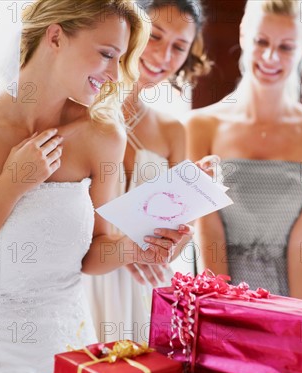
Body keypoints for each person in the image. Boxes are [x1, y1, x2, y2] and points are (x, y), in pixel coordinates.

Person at [0, 1, 188, 373]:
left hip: (68, 354)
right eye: (107, 54)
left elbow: (92, 255)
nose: (113, 75)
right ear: (56, 36)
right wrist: (11, 185)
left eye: (120, 59)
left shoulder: (103, 136)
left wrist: (137, 247)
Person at [187, 0, 302, 299]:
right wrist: (225, 309)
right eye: (261, 41)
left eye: (286, 47)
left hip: (294, 294)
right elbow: (207, 231)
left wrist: (295, 320)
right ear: (244, 34)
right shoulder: (200, 125)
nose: (271, 57)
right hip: (221, 296)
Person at [84, 0, 212, 344]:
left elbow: (180, 240)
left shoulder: (173, 131)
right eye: (155, 36)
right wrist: (120, 249)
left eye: (179, 47)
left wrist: (196, 199)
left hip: (145, 288)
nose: (163, 55)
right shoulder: (80, 111)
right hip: (84, 280)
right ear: (131, 30)